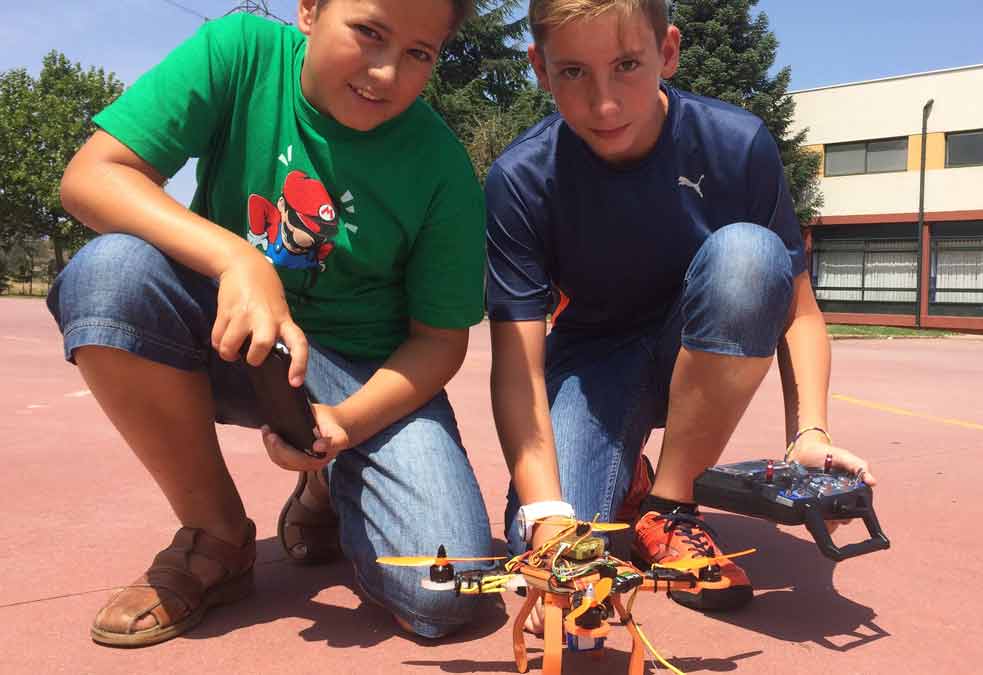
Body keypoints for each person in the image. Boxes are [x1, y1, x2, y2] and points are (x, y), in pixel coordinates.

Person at [46, 0, 492, 647]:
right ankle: (216, 532)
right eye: (369, 32)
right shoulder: (240, 52)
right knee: (110, 273)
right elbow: (92, 177)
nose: (387, 72)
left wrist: (349, 422)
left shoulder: (441, 167)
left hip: (365, 375)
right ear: (309, 9)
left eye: (419, 54)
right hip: (230, 336)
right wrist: (237, 258)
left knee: (444, 589)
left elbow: (440, 341)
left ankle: (326, 480)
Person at [485, 0, 879, 622]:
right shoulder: (520, 178)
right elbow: (516, 364)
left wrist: (809, 434)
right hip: (594, 364)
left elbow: (798, 311)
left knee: (750, 255)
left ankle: (669, 508)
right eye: (573, 73)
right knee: (548, 546)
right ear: (538, 67)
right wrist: (544, 517)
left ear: (667, 51)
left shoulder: (737, 143)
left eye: (627, 65)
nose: (605, 103)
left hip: (702, 350)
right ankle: (632, 483)